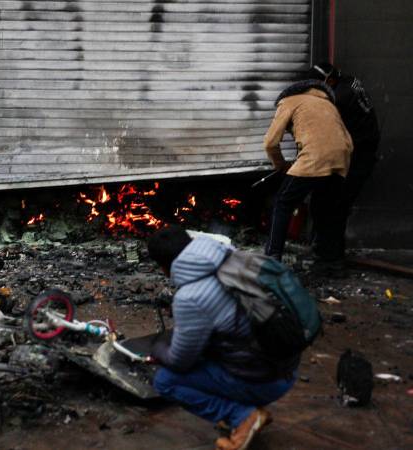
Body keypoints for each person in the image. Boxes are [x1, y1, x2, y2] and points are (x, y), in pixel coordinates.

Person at [148, 226, 299, 450]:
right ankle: (248, 410)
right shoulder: (231, 255)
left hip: (267, 380)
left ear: (163, 268)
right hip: (289, 366)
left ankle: (243, 416)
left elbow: (180, 360)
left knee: (165, 380)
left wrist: (158, 349)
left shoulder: (190, 296)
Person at [263, 78, 353, 263]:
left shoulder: (289, 102)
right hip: (340, 160)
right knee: (328, 211)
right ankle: (333, 263)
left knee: (282, 203)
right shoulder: (328, 104)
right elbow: (348, 142)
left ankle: (272, 259)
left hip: (314, 159)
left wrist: (280, 166)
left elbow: (271, 142)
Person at [307, 63, 381, 260]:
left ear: (328, 80)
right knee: (332, 206)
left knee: (335, 208)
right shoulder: (350, 81)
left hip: (356, 157)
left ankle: (331, 260)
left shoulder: (339, 98)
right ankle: (326, 251)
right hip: (362, 152)